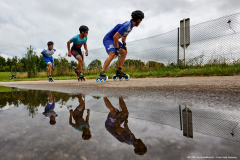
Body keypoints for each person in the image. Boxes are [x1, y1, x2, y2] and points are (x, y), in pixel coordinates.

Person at [97, 10, 144, 81]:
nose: (140, 22)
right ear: (138, 19)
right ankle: (102, 72)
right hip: (108, 38)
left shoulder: (131, 26)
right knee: (112, 54)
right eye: (141, 20)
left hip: (114, 39)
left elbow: (124, 36)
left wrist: (124, 44)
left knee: (124, 52)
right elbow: (115, 36)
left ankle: (119, 70)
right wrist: (116, 49)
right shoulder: (127, 25)